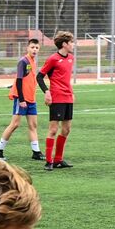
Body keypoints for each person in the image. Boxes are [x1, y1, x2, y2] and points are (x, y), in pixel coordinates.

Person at [0, 38, 45, 162]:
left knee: (33, 125)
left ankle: (36, 152)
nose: (34, 50)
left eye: (37, 48)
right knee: (15, 124)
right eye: (32, 47)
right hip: (21, 98)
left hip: (31, 99)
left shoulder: (33, 62)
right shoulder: (23, 62)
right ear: (27, 48)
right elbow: (18, 81)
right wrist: (21, 99)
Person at [37, 31, 76, 170]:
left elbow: (65, 79)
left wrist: (71, 93)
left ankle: (58, 160)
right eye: (71, 42)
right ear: (64, 44)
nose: (73, 44)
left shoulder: (71, 58)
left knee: (66, 129)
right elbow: (39, 77)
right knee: (53, 129)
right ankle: (49, 161)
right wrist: (47, 92)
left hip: (68, 97)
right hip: (57, 97)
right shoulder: (53, 59)